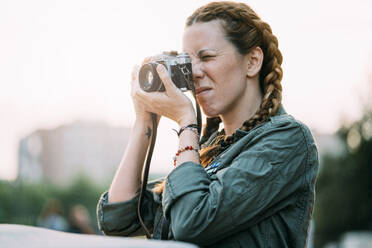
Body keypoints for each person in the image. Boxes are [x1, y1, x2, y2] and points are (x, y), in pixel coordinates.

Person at [96, 1, 318, 247]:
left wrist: (186, 122)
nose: (195, 73)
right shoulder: (206, 151)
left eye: (207, 57)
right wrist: (143, 122)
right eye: (188, 62)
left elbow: (191, 223)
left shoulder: (287, 140)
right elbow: (118, 220)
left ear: (253, 61)